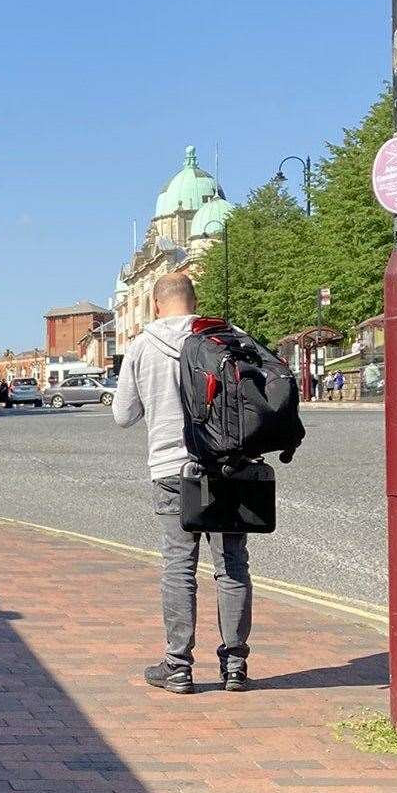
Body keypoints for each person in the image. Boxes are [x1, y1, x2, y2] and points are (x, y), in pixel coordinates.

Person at [112, 273, 252, 694]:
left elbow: (123, 415)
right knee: (232, 564)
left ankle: (177, 667)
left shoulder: (142, 345)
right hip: (229, 466)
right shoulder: (226, 336)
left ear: (156, 305)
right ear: (195, 302)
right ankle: (235, 666)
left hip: (172, 468)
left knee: (179, 565)